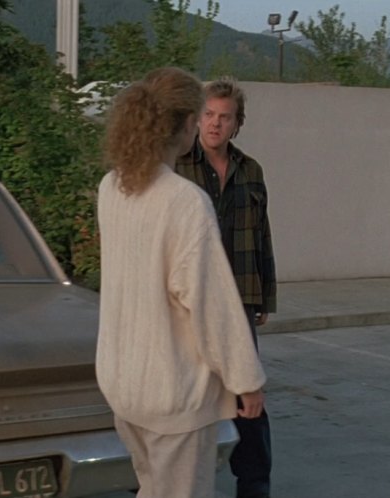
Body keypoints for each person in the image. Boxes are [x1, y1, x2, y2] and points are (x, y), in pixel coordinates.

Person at [97, 66, 267, 498]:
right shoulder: (185, 201)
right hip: (172, 391)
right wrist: (246, 380)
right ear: (189, 122)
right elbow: (211, 306)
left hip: (125, 385)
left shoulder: (112, 187)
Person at [175, 77, 277, 498]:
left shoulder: (250, 170)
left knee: (247, 397)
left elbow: (262, 235)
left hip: (239, 299)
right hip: (190, 301)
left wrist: (264, 295)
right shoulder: (176, 167)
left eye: (225, 117)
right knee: (186, 395)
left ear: (238, 123)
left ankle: (254, 486)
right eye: (209, 115)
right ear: (197, 118)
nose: (216, 124)